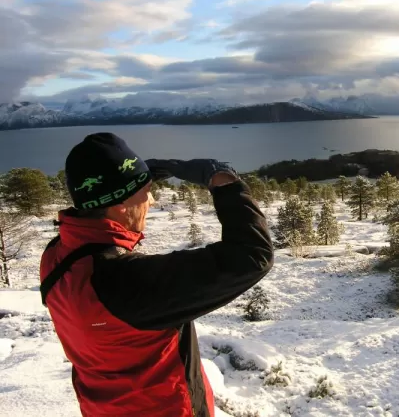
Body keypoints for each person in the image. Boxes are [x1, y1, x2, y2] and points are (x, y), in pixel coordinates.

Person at [39, 133, 274, 417]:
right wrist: (223, 181)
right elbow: (251, 255)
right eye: (146, 191)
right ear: (121, 204)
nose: (150, 200)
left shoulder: (57, 257)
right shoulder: (125, 282)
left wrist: (132, 177)